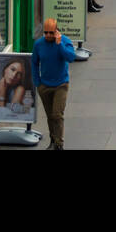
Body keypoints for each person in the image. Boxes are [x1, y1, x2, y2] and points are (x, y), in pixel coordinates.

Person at [33, 18, 78, 150]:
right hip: (44, 85)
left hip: (61, 85)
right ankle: (53, 140)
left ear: (56, 31)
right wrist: (37, 82)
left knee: (57, 114)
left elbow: (71, 57)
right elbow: (34, 63)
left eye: (51, 33)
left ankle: (59, 144)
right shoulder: (38, 44)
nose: (47, 35)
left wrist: (59, 45)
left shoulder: (65, 41)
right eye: (45, 33)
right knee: (50, 116)